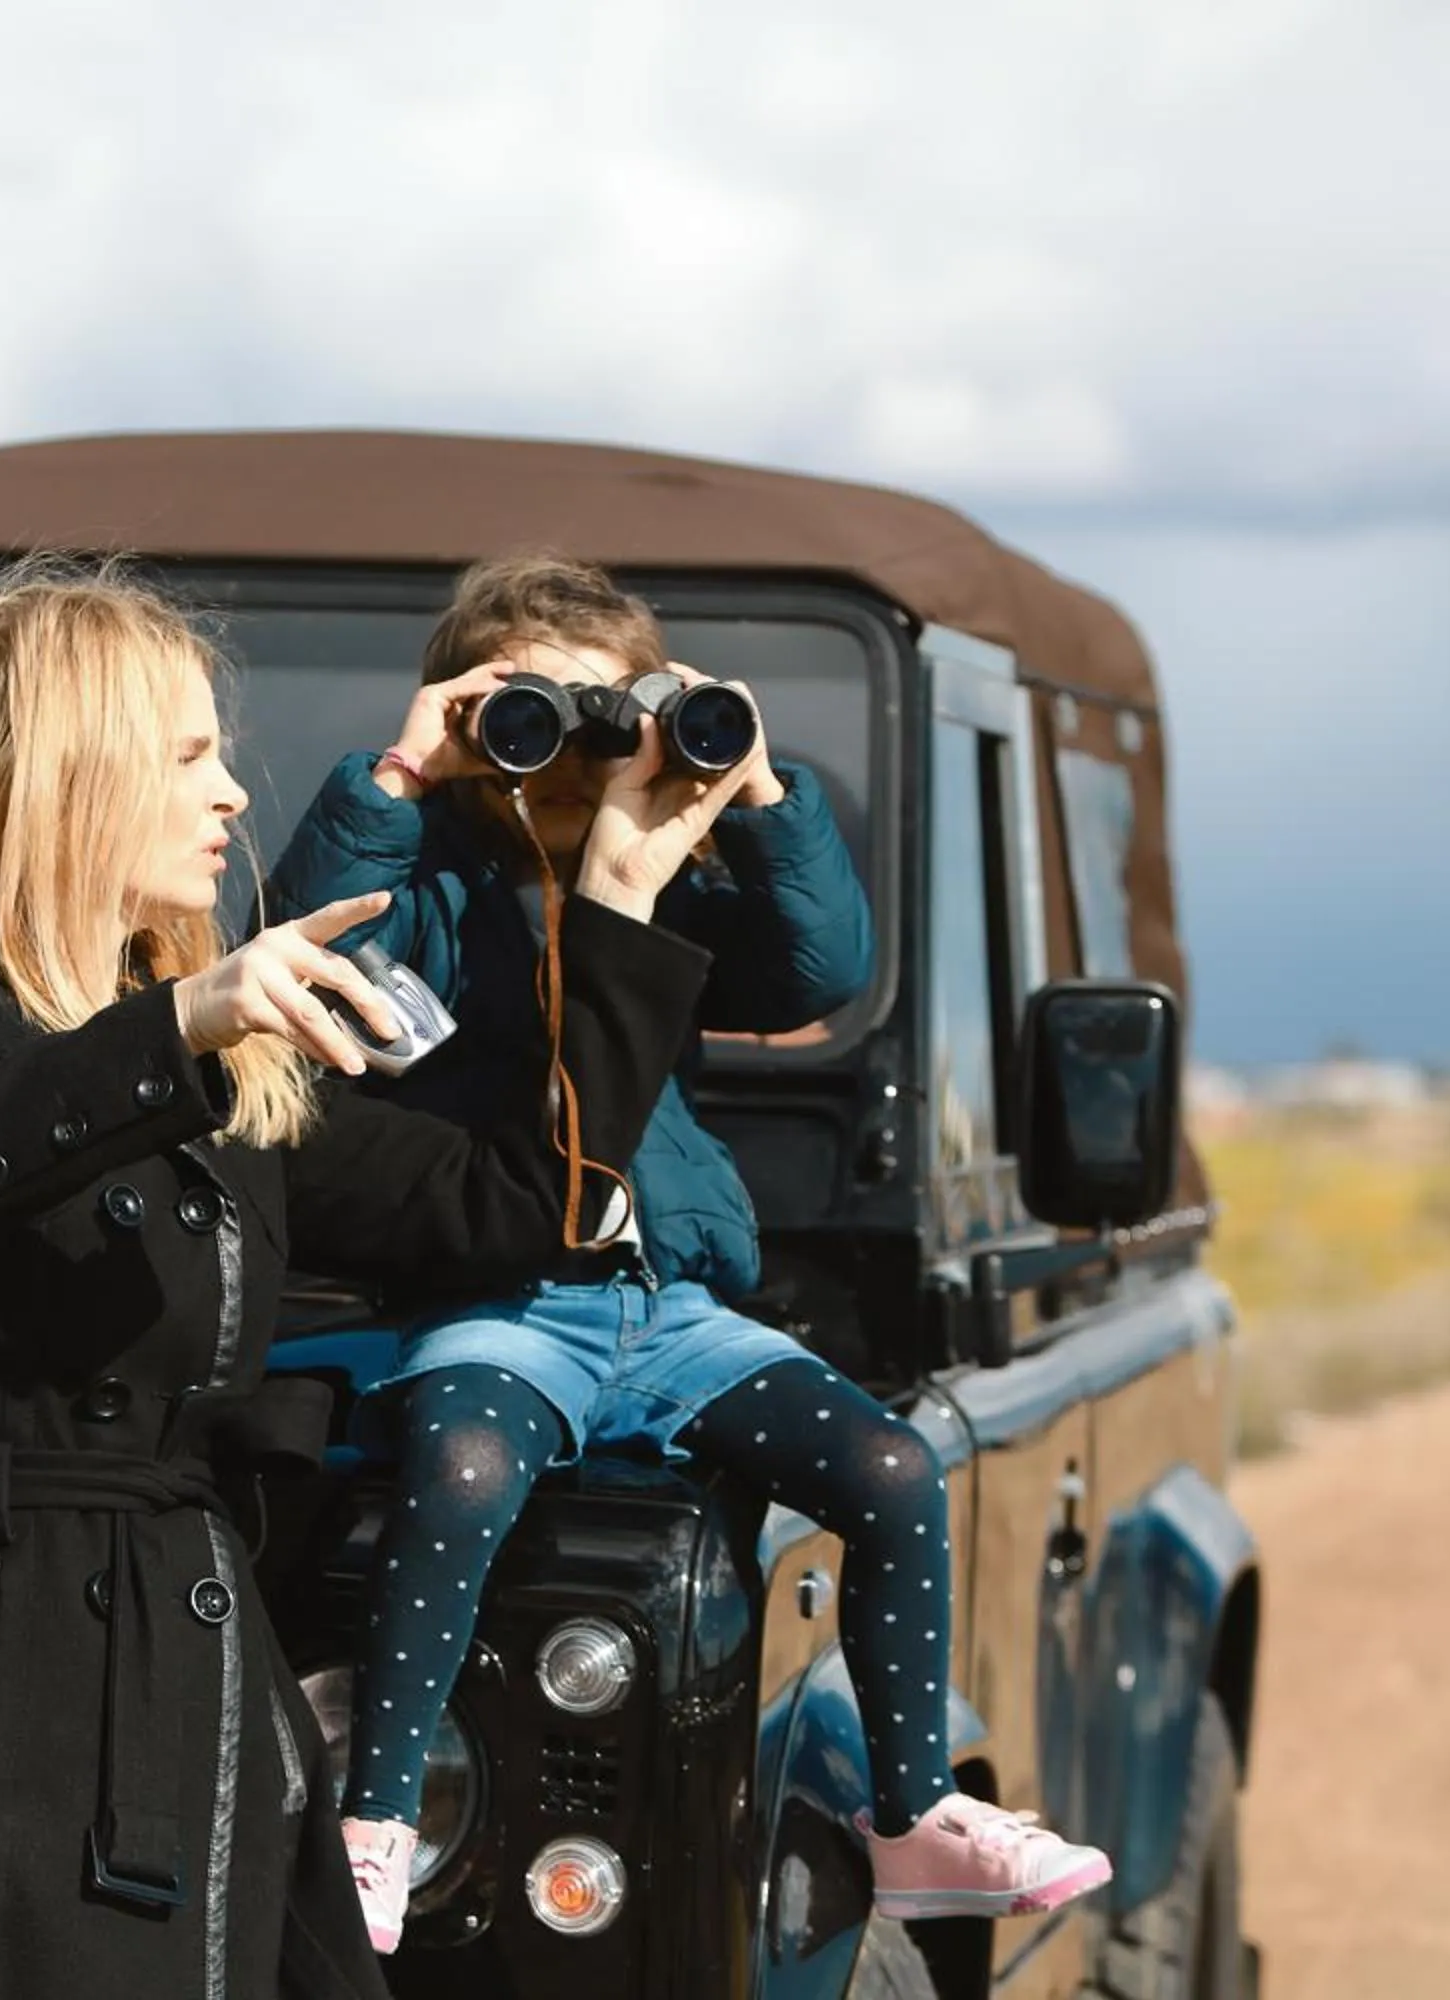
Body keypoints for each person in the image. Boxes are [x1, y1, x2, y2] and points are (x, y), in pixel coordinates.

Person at [0, 560, 731, 2000]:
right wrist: (176, 1029)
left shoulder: (223, 1054)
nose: (235, 794)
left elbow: (518, 1205)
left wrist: (618, 886)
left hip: (191, 1688)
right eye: (191, 756)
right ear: (76, 773)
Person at [265, 554, 1112, 1949]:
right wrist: (404, 773)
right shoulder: (422, 891)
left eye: (615, 711)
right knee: (461, 1463)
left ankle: (913, 1826)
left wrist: (757, 792)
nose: (575, 744)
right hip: (505, 1303)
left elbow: (820, 969)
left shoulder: (668, 887)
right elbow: (299, 936)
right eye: (531, 708)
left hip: (668, 1311)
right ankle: (378, 1821)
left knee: (894, 1470)